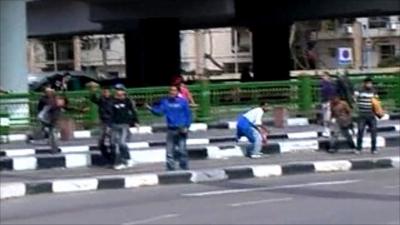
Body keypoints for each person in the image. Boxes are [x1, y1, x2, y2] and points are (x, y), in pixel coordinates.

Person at [147, 86, 192, 171]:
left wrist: (187, 126)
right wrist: (151, 109)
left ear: (177, 92)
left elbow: (188, 114)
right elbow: (160, 112)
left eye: (174, 90)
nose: (172, 92)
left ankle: (184, 166)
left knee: (182, 149)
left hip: (182, 128)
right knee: (170, 149)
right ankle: (171, 167)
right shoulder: (165, 102)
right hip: (171, 128)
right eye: (171, 90)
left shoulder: (183, 102)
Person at [110, 84, 139, 169]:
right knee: (114, 144)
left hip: (124, 125)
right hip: (114, 125)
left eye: (120, 90)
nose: (118, 91)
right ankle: (120, 162)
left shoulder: (127, 101)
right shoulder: (112, 101)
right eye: (116, 90)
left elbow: (133, 111)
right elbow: (109, 113)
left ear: (123, 91)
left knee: (122, 143)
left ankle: (128, 159)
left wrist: (136, 122)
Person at [89, 84, 114, 164]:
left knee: (112, 141)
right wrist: (93, 92)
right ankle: (108, 157)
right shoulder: (101, 100)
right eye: (104, 92)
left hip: (111, 122)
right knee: (101, 142)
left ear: (110, 92)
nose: (105, 93)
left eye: (107, 92)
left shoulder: (113, 100)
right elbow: (93, 99)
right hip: (103, 122)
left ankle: (113, 158)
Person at [354, 77, 379, 154]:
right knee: (360, 131)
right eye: (368, 83)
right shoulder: (359, 90)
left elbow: (377, 102)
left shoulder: (374, 91)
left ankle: (374, 148)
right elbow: (354, 98)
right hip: (362, 115)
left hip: (371, 115)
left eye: (370, 83)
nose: (369, 85)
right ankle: (358, 148)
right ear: (364, 83)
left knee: (374, 131)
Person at [320, 72, 336, 137]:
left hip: (330, 102)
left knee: (328, 117)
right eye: (322, 76)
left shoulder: (331, 84)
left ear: (328, 76)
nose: (323, 77)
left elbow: (333, 93)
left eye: (324, 76)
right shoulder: (322, 84)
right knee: (326, 118)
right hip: (325, 102)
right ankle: (327, 130)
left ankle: (329, 130)